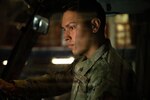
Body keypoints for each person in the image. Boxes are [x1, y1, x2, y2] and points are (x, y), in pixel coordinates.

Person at [0, 0, 136, 99]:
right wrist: (13, 87)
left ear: (94, 26)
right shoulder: (87, 61)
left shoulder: (107, 74)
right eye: (65, 29)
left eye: (72, 27)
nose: (66, 37)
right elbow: (57, 82)